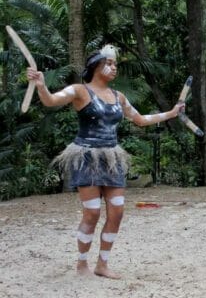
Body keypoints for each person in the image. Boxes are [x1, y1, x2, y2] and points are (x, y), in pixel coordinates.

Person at [27, 45, 184, 279]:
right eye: (108, 64)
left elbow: (139, 119)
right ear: (95, 67)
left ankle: (102, 264)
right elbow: (51, 100)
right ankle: (82, 265)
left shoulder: (118, 97)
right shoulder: (80, 91)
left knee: (117, 212)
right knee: (92, 213)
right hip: (87, 156)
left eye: (115, 65)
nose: (113, 68)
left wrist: (171, 113)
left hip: (112, 158)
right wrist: (41, 85)